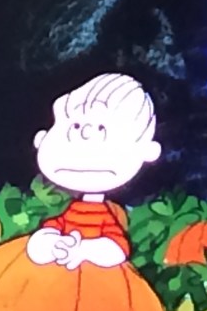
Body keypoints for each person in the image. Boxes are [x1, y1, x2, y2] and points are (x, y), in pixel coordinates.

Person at [26, 72, 161, 271]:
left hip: (96, 279)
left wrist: (83, 250)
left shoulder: (105, 216)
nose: (85, 136)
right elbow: (55, 226)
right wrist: (51, 242)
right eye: (75, 126)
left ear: (147, 151)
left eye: (100, 129)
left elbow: (117, 248)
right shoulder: (72, 210)